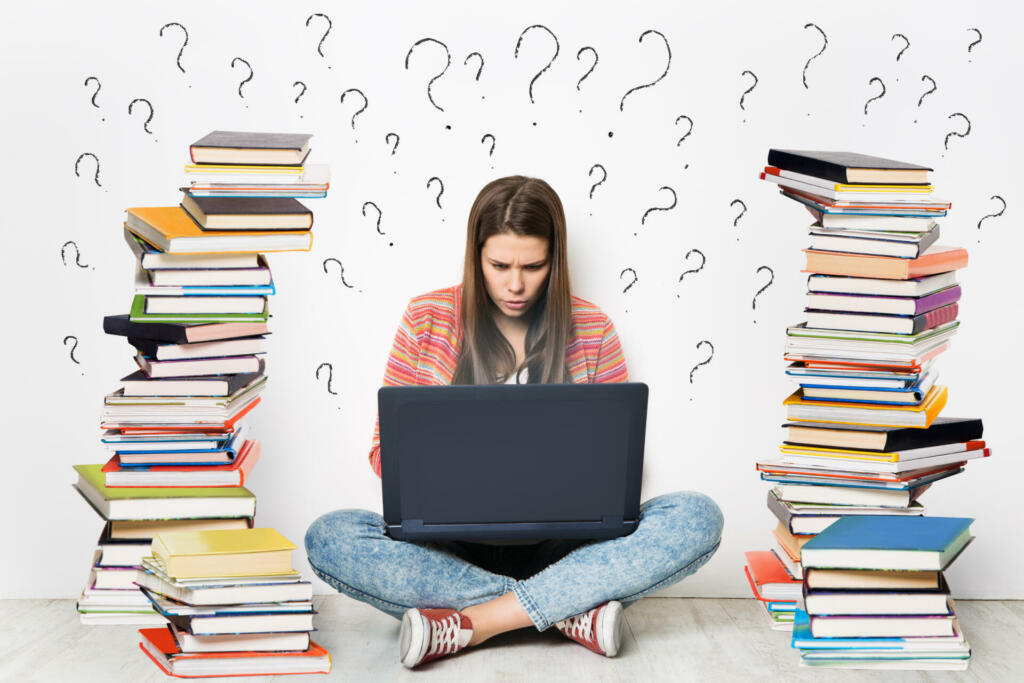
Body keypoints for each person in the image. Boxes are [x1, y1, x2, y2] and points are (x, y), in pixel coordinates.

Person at [304, 176, 724, 669]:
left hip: (567, 551)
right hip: (448, 555)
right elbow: (383, 451)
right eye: (499, 265)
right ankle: (565, 612)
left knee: (698, 515)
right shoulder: (426, 319)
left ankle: (475, 622)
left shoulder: (593, 330)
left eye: (534, 266)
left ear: (555, 260)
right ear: (475, 255)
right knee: (329, 536)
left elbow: (616, 464)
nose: (516, 284)